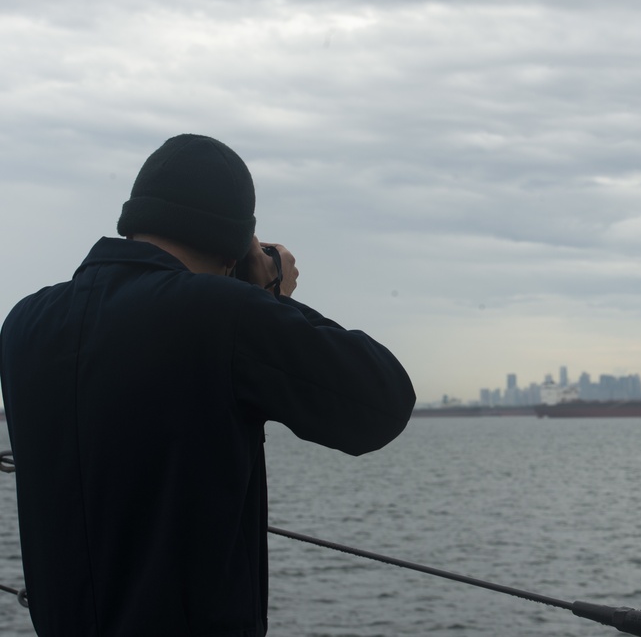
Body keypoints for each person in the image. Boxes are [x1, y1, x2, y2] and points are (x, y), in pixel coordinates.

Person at [0, 134, 416, 636]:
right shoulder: (221, 314)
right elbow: (382, 403)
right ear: (235, 247)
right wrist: (272, 297)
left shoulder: (24, 324)